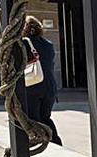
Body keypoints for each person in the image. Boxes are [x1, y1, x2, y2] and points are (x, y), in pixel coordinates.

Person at [23, 16, 62, 146]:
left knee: (33, 118)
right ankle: (56, 143)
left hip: (33, 85)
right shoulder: (48, 45)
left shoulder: (23, 44)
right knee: (45, 117)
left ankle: (37, 145)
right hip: (50, 86)